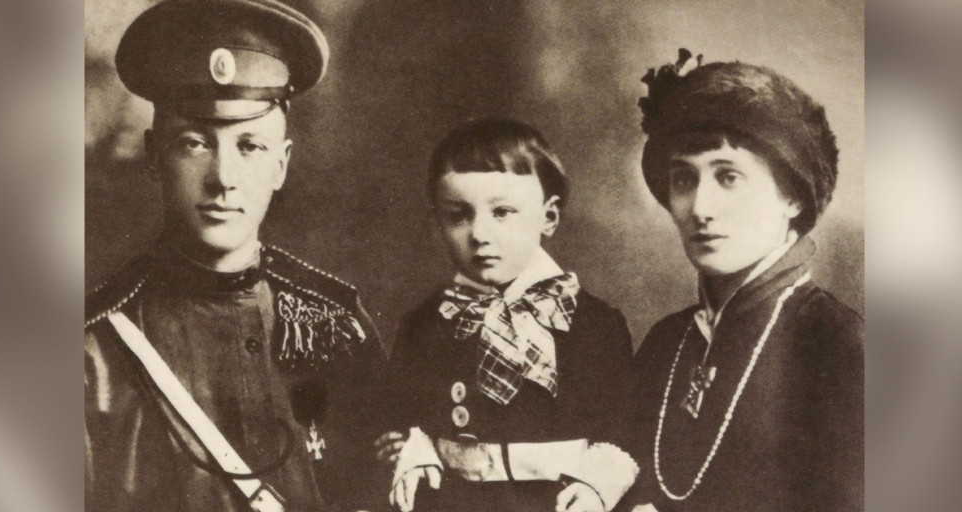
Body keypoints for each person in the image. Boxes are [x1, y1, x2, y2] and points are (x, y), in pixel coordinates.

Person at [84, 1, 385, 510]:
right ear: (155, 156)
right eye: (195, 143)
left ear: (281, 165)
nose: (223, 178)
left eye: (249, 146)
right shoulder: (93, 354)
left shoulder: (339, 328)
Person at [619, 50, 864, 511]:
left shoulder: (840, 344)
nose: (700, 207)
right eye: (683, 179)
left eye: (728, 177)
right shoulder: (664, 344)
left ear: (792, 196)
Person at [378, 119, 639, 512]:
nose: (480, 234)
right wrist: (413, 451)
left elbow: (624, 425)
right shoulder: (425, 325)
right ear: (437, 224)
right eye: (458, 215)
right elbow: (400, 415)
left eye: (502, 212)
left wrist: (597, 485)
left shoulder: (593, 324)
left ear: (549, 217)